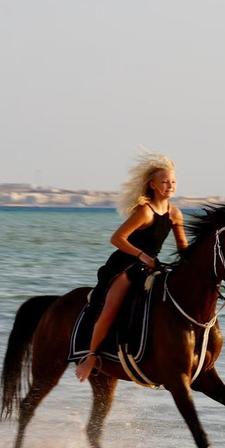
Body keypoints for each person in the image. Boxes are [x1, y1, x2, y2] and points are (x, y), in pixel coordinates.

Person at [76, 150, 188, 382]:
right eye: (165, 181)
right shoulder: (145, 212)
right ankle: (91, 356)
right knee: (110, 308)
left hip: (152, 267)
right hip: (126, 265)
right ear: (153, 185)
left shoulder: (175, 213)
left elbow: (183, 248)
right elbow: (117, 239)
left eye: (173, 181)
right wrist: (142, 256)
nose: (170, 185)